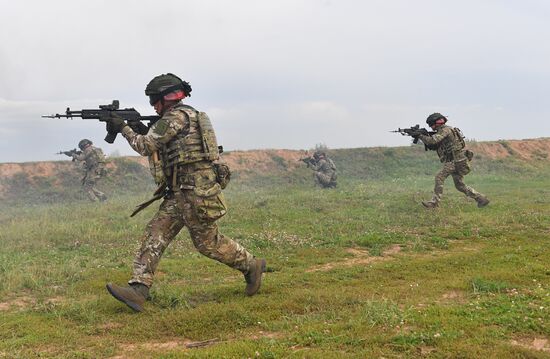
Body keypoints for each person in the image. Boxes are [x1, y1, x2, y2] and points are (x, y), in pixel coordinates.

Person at [104, 73, 266, 312]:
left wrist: (124, 128)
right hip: (181, 192)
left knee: (208, 244)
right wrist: (137, 128)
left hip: (195, 193)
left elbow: (145, 146)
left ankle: (252, 265)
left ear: (164, 98)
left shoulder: (176, 117)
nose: (153, 105)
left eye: (153, 100)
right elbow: (162, 144)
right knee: (154, 234)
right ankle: (138, 290)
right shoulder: (185, 116)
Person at [416, 113, 489, 208]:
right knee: (460, 186)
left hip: (455, 161)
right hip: (459, 160)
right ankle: (481, 199)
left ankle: (434, 203)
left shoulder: (445, 130)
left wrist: (420, 136)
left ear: (437, 122)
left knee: (439, 177)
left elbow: (433, 141)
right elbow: (435, 144)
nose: (431, 127)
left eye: (431, 124)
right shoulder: (446, 130)